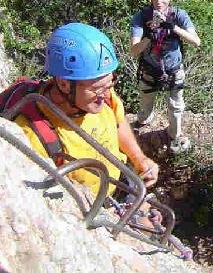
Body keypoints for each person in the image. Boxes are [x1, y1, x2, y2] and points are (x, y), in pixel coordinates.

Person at [13, 22, 159, 195]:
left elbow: (117, 122)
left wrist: (139, 159)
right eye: (97, 88)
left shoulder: (101, 93)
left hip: (117, 185)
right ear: (64, 84)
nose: (105, 95)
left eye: (110, 83)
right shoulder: (35, 136)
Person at [130, 0, 201, 154]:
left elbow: (196, 41)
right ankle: (144, 119)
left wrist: (173, 27)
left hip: (174, 69)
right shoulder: (141, 17)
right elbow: (133, 51)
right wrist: (148, 38)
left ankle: (174, 135)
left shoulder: (178, 15)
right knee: (146, 105)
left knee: (176, 106)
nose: (159, 1)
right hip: (149, 69)